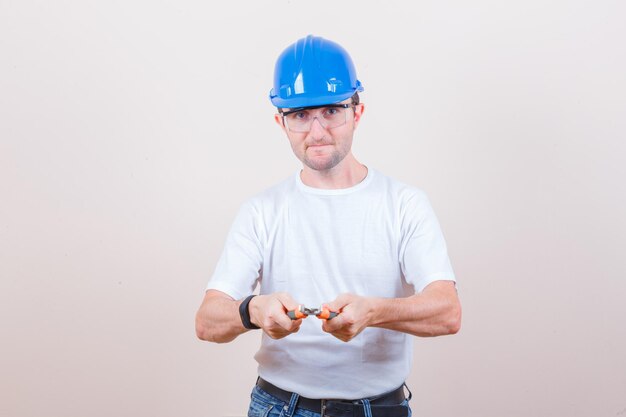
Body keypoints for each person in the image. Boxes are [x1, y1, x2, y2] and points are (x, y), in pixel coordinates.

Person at [195, 35, 461, 417]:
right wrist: (254, 309)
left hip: (380, 408)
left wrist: (373, 311)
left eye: (331, 111)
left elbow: (447, 312)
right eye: (300, 115)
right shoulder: (261, 211)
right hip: (278, 407)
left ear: (357, 112)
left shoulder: (404, 204)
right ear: (280, 122)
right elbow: (206, 321)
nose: (317, 132)